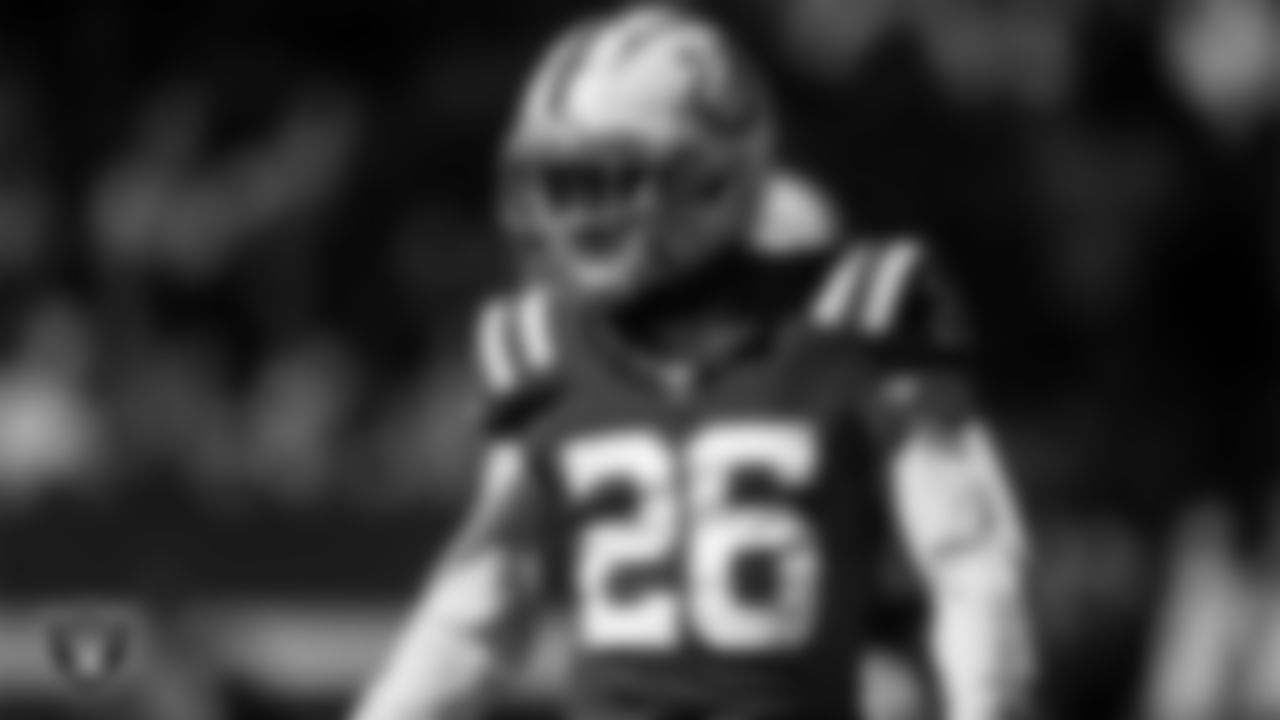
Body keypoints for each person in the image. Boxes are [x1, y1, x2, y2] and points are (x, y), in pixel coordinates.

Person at [353, 5, 1035, 720]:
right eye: (559, 183)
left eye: (605, 181)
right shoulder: (540, 348)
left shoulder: (859, 318)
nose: (573, 216)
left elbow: (970, 558)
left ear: (709, 177)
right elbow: (481, 602)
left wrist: (992, 701)